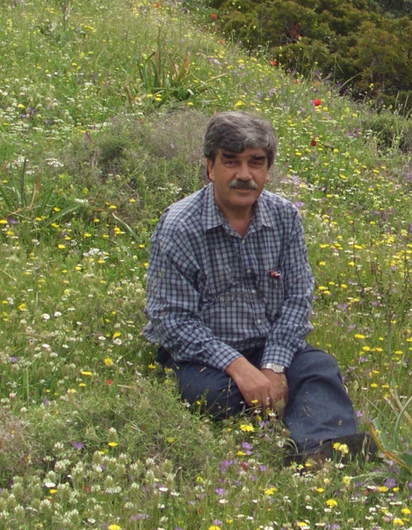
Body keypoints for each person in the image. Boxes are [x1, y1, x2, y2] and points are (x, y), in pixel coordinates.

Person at [142, 110, 372, 463]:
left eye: (256, 163)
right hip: (206, 356)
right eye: (231, 162)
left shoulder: (284, 217)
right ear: (210, 167)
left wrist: (274, 366)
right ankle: (283, 409)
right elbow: (172, 320)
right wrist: (237, 366)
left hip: (268, 345)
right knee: (210, 393)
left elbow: (298, 296)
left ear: (267, 169)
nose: (244, 175)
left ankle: (322, 452)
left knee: (319, 368)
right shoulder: (180, 226)